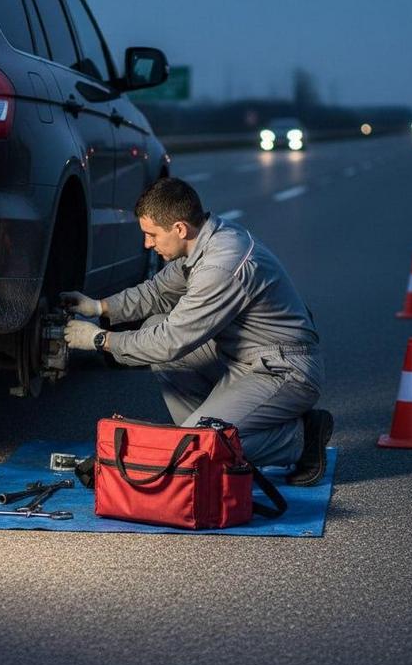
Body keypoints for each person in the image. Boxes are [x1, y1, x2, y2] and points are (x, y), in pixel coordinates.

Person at [62, 177, 332, 485]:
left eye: (151, 234)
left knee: (200, 447)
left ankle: (298, 439)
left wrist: (99, 339)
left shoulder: (221, 265)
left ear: (179, 228)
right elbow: (157, 292)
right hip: (240, 358)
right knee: (154, 328)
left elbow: (170, 341)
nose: (147, 244)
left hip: (284, 370)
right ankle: (200, 434)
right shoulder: (203, 240)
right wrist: (98, 308)